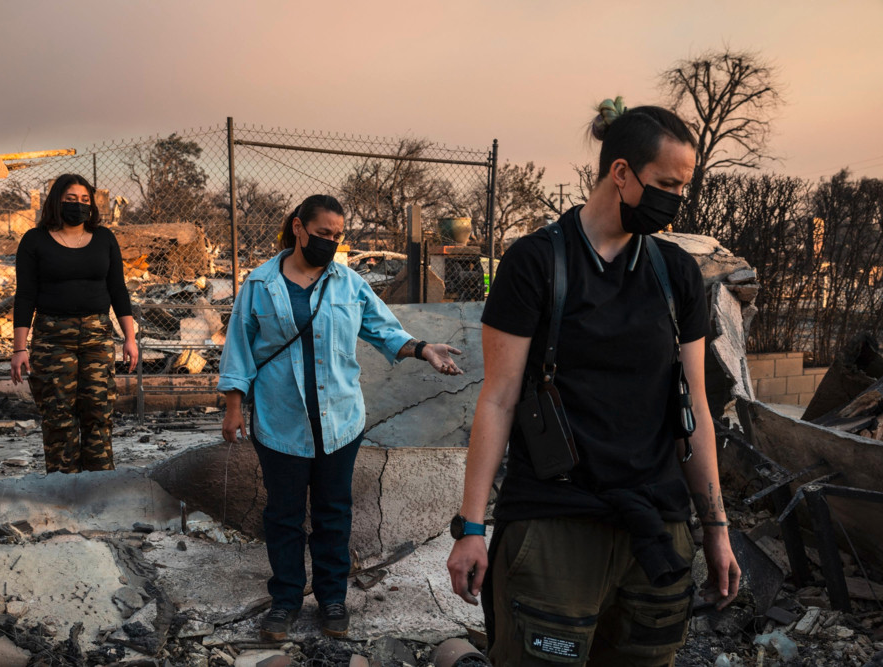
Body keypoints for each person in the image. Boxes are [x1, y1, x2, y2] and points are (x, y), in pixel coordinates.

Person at [447, 99, 741, 666]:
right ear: (621, 172)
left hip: (656, 529)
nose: (676, 200)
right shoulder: (535, 264)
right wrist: (472, 526)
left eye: (684, 187)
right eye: (667, 184)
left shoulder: (675, 273)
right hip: (555, 524)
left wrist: (716, 527)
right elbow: (499, 398)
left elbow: (696, 408)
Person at [218, 194, 464, 641]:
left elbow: (384, 330)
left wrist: (424, 348)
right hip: (280, 423)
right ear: (298, 228)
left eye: (336, 235)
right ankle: (287, 600)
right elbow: (238, 348)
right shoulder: (260, 284)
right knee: (285, 516)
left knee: (333, 513)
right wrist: (234, 408)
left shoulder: (349, 284)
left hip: (339, 424)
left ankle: (332, 598)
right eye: (322, 233)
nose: (330, 242)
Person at [11, 174, 138, 474]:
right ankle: (63, 489)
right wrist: (19, 349)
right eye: (70, 199)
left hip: (97, 336)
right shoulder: (34, 240)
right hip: (51, 339)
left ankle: (99, 487)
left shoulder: (105, 238)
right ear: (56, 201)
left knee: (98, 412)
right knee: (58, 416)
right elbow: (25, 295)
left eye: (84, 200)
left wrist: (129, 338)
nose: (78, 206)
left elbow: (118, 289)